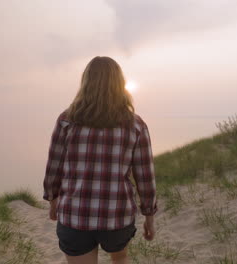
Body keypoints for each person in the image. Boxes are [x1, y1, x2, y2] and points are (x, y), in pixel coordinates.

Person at [43, 56, 157, 264]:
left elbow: (54, 167)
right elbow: (145, 177)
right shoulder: (136, 125)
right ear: (120, 84)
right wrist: (149, 215)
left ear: (86, 82)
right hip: (117, 217)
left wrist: (52, 200)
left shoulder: (66, 120)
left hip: (75, 215)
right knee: (120, 257)